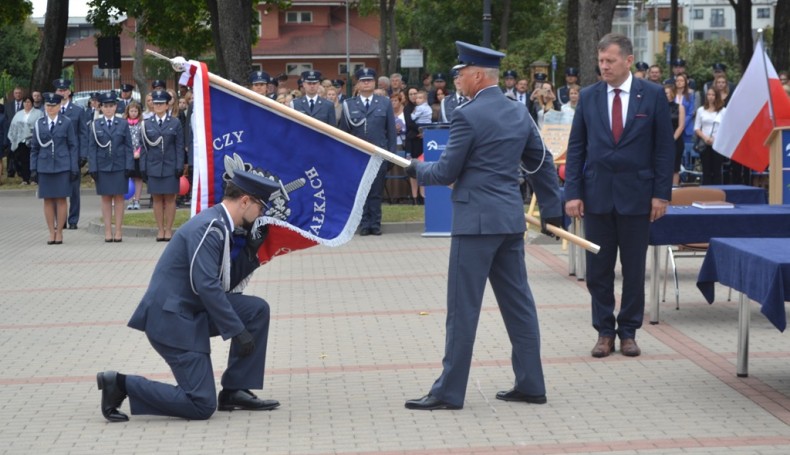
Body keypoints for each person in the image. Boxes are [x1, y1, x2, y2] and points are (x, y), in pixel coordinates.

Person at [403, 41, 562, 411]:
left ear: (477, 75)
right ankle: (531, 384)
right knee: (519, 304)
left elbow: (445, 171)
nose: (457, 78)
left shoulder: (466, 114)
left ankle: (448, 391)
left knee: (463, 309)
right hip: (508, 220)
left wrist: (413, 168)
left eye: (461, 72)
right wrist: (552, 209)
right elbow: (541, 163)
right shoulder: (517, 111)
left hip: (475, 223)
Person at [96, 169, 282, 422]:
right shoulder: (210, 227)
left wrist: (250, 252)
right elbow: (206, 285)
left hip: (189, 311)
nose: (262, 214)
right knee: (201, 404)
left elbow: (221, 283)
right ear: (245, 201)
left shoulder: (221, 225)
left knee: (256, 310)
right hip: (173, 321)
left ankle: (235, 389)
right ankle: (120, 384)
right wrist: (235, 330)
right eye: (261, 207)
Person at [564, 33, 674, 358]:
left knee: (634, 269)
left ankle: (628, 332)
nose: (604, 66)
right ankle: (603, 332)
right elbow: (576, 148)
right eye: (601, 61)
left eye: (610, 60)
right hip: (597, 196)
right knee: (598, 270)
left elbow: (664, 149)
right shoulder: (589, 96)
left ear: (628, 60)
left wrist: (661, 195)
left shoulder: (651, 96)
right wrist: (572, 192)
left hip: (638, 197)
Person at [338, 67, 397, 235]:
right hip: (358, 157)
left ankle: (375, 224)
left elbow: (391, 132)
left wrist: (391, 156)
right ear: (358, 83)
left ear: (374, 82)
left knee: (376, 193)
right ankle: (364, 224)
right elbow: (344, 133)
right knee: (361, 192)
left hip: (379, 156)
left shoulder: (384, 102)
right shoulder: (349, 104)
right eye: (363, 80)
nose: (366, 83)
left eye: (369, 80)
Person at [30, 93, 79, 245]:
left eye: (53, 106)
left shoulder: (66, 122)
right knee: (48, 200)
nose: (50, 108)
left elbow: (72, 146)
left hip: (62, 166)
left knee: (61, 199)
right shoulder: (39, 124)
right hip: (44, 167)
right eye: (48, 105)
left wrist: (73, 167)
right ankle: (51, 231)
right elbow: (34, 148)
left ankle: (60, 232)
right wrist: (33, 168)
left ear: (59, 107)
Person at [88, 92, 133, 242]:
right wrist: (93, 167)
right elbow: (92, 148)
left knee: (119, 198)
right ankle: (108, 231)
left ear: (116, 107)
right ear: (100, 108)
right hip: (103, 166)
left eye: (111, 106)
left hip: (119, 166)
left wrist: (129, 165)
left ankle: (118, 230)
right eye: (105, 106)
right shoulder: (95, 125)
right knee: (106, 198)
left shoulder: (123, 123)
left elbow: (128, 146)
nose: (108, 109)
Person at [141, 90, 184, 241]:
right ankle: (160, 229)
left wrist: (180, 165)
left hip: (170, 166)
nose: (158, 106)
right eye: (156, 103)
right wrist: (143, 167)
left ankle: (168, 229)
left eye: (161, 103)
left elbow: (179, 146)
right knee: (157, 198)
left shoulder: (175, 122)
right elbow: (144, 148)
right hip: (153, 166)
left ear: (167, 105)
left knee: (170, 199)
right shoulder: (146, 124)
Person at [53, 78, 87, 230]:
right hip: (57, 156)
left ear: (69, 92)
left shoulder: (78, 111)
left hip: (73, 155)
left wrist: (83, 155)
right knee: (58, 190)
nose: (62, 93)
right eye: (59, 90)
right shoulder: (51, 110)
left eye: (64, 90)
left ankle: (73, 220)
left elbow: (83, 135)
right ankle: (60, 220)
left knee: (74, 191)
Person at [7, 95, 43, 185]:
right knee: (23, 160)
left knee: (34, 159)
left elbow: (41, 125)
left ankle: (34, 178)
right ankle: (25, 179)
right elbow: (13, 126)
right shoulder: (18, 114)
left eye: (29, 102)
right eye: (25, 102)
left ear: (32, 103)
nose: (27, 104)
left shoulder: (38, 113)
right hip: (21, 141)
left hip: (33, 141)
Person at [695, 88, 726, 185]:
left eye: (713, 95)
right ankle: (706, 192)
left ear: (716, 96)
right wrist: (705, 138)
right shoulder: (701, 110)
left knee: (717, 170)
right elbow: (697, 128)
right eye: (709, 94)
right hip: (704, 143)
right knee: (706, 170)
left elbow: (725, 127)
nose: (710, 97)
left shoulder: (723, 111)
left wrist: (715, 139)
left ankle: (717, 193)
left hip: (717, 144)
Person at [664, 84, 686, 186]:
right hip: (661, 142)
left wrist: (671, 139)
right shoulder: (658, 107)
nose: (664, 95)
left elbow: (681, 126)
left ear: (672, 93)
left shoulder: (680, 107)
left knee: (674, 168)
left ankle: (674, 190)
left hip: (675, 141)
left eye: (666, 93)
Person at [125, 102, 144, 209]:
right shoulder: (124, 123)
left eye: (135, 111)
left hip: (138, 155)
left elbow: (143, 139)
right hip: (128, 155)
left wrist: (138, 152)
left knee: (138, 178)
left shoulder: (142, 124)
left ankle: (137, 200)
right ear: (128, 112)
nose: (133, 113)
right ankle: (130, 200)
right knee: (129, 178)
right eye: (131, 111)